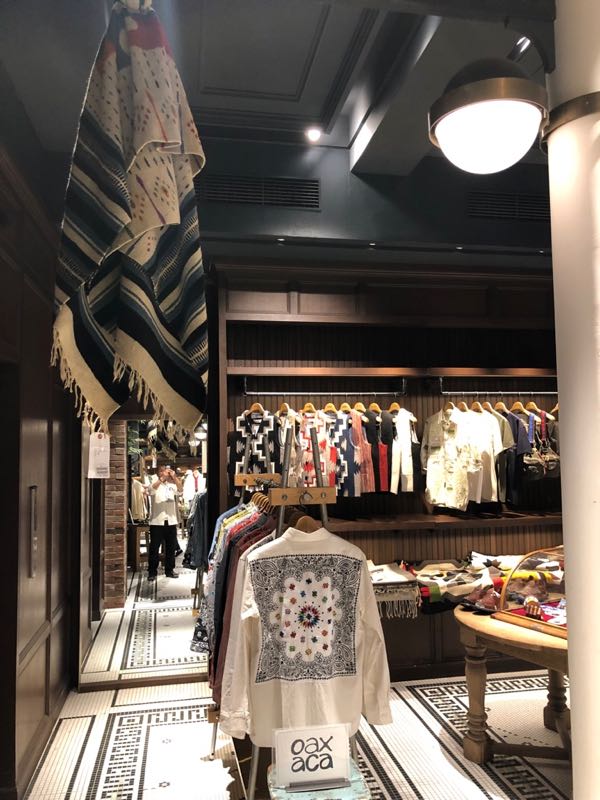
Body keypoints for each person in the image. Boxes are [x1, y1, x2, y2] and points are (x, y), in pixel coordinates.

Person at [147, 465, 183, 581]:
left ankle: (169, 570)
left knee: (171, 548)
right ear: (158, 473)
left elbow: (180, 490)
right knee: (154, 548)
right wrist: (162, 479)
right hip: (157, 522)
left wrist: (174, 477)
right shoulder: (154, 485)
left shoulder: (172, 486)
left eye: (166, 471)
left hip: (171, 521)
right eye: (162, 471)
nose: (165, 472)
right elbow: (150, 490)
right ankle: (152, 572)